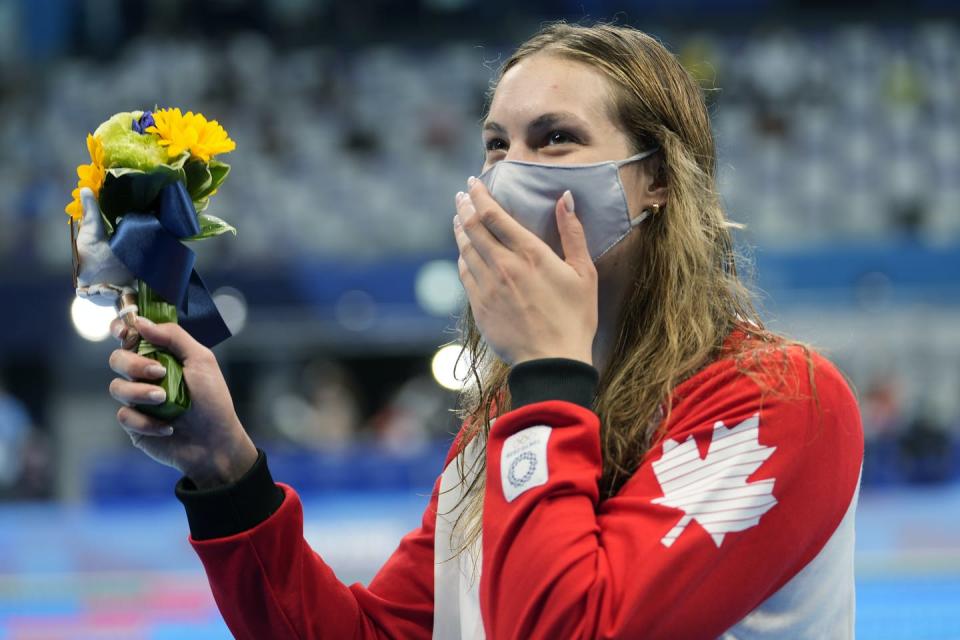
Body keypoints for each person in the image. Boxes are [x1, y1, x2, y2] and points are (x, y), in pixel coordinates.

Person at [104, 22, 863, 639]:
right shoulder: (509, 420)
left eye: (555, 138)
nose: (508, 175)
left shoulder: (780, 401)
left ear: (657, 179)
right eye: (497, 144)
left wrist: (549, 375)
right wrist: (226, 470)